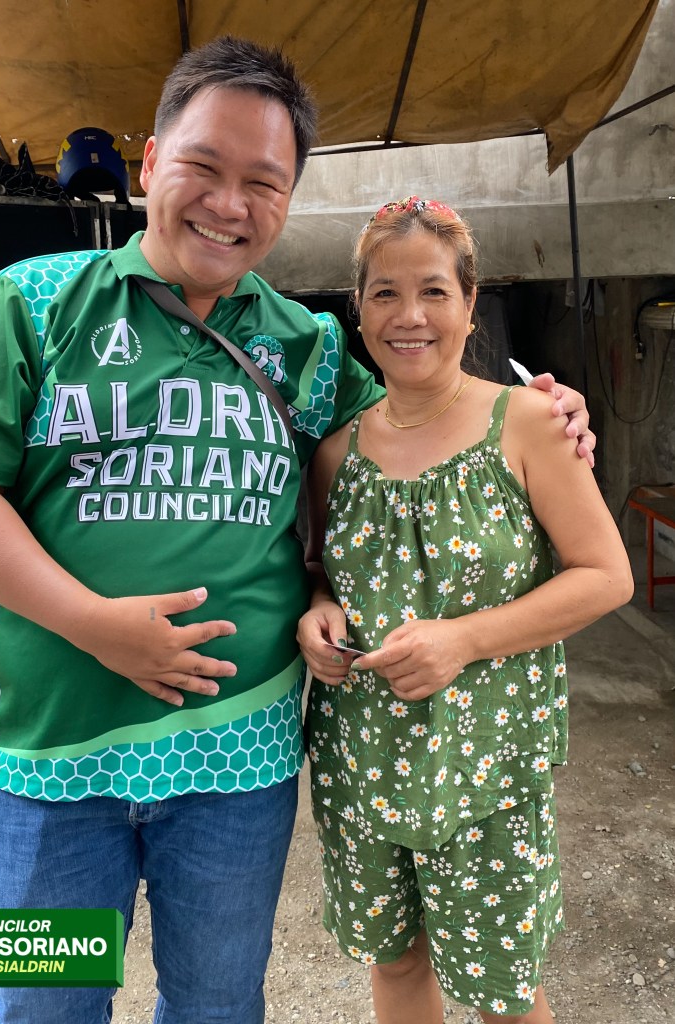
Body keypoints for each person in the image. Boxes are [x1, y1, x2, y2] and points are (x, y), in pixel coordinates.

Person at [0, 36, 595, 1024]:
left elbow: (414, 431)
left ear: (288, 199)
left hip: (240, 763)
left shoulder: (305, 345)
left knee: (219, 1005)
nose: (229, 205)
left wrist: (539, 413)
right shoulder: (31, 300)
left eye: (263, 183)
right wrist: (95, 623)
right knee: (43, 1006)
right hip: (54, 753)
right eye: (204, 166)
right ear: (151, 162)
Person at [296, 196, 633, 1023]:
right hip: (362, 761)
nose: (409, 316)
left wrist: (465, 640)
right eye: (385, 293)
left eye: (434, 291)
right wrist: (318, 612)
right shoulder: (337, 452)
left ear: (470, 303)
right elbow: (326, 574)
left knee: (501, 990)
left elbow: (606, 575)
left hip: (487, 764)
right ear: (358, 309)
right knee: (397, 963)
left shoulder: (529, 422)